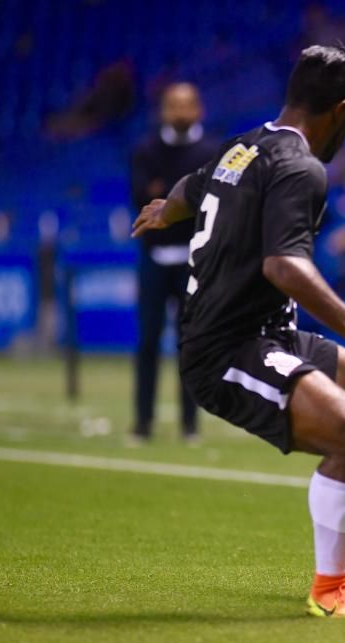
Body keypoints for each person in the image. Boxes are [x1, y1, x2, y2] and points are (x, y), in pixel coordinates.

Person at [131, 46, 345, 619]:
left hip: (269, 333)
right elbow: (283, 267)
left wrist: (165, 209)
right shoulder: (302, 168)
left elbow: (194, 185)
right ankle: (330, 588)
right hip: (225, 351)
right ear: (340, 109)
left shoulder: (245, 145)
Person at [130, 82, 220, 444]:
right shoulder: (145, 150)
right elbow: (143, 198)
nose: (180, 113)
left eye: (187, 105)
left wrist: (170, 198)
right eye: (173, 105)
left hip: (195, 261)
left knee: (193, 342)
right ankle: (142, 421)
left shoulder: (213, 151)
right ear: (162, 111)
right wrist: (179, 201)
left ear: (198, 109)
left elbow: (211, 202)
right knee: (148, 340)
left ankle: (189, 424)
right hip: (153, 258)